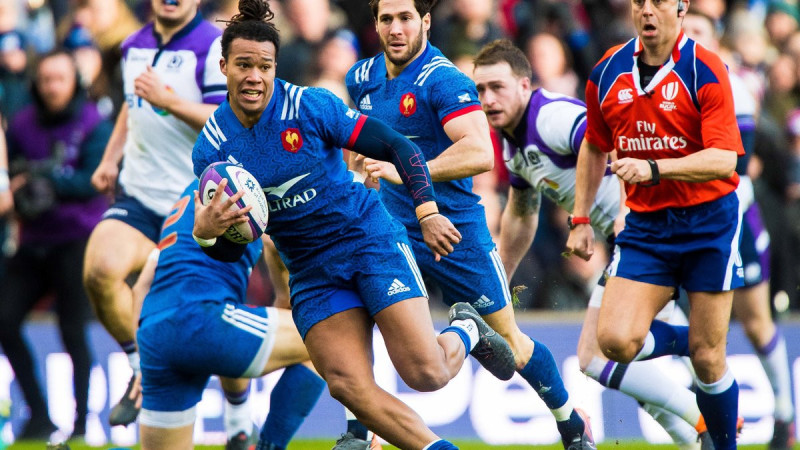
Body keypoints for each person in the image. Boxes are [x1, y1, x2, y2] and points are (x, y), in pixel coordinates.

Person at [192, 1, 516, 449]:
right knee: (348, 387)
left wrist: (426, 211)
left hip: (367, 240)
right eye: (243, 65)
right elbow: (231, 246)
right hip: (311, 270)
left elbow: (398, 146)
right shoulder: (211, 151)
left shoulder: (309, 107)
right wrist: (207, 230)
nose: (254, 77)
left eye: (264, 66)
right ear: (224, 65)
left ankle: (466, 328)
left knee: (427, 374)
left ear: (274, 67)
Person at [347, 1, 593, 448]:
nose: (396, 28)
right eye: (386, 19)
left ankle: (570, 425)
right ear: (376, 23)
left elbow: (481, 152)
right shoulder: (360, 78)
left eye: (405, 18)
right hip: (389, 228)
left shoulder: (444, 80)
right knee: (356, 311)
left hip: (454, 232)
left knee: (511, 342)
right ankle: (357, 430)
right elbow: (357, 145)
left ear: (424, 21)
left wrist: (405, 170)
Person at [472, 38, 712, 449]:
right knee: (626, 362)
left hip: (649, 230)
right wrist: (502, 282)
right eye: (480, 90)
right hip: (641, 236)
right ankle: (698, 439)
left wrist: (622, 208)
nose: (487, 99)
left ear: (525, 85)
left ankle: (706, 418)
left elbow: (614, 138)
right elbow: (521, 213)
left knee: (595, 357)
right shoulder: (512, 145)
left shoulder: (551, 117)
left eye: (497, 87)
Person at [566, 0, 744, 449]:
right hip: (647, 227)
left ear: (681, 9)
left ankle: (723, 442)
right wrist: (581, 218)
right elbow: (594, 144)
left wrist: (655, 168)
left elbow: (725, 158)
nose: (647, 10)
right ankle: (702, 339)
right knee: (615, 342)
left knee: (708, 364)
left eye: (659, 1)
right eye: (639, 1)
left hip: (710, 225)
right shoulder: (607, 71)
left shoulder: (705, 68)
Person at [80, 0, 242, 433]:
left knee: (219, 320)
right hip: (139, 194)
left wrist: (168, 100)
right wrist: (111, 159)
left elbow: (226, 120)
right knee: (99, 271)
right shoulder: (131, 44)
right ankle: (141, 367)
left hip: (195, 203)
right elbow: (134, 107)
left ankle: (240, 417)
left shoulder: (212, 46)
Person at [682, 10, 796, 448]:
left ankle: (785, 416)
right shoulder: (660, 87)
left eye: (699, 31)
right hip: (677, 222)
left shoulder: (732, 88)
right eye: (686, 30)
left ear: (715, 41)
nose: (689, 37)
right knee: (689, 323)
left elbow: (738, 170)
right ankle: (702, 415)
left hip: (733, 221)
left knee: (755, 323)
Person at [133, 179, 315, 450]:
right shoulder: (247, 185)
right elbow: (275, 249)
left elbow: (140, 287)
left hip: (155, 332)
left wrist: (139, 362)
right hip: (201, 318)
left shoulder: (190, 195)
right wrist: (283, 303)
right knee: (326, 339)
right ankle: (267, 445)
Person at [0, 49, 111, 441]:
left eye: (59, 79)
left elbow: (93, 180)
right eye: (45, 80)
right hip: (33, 240)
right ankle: (39, 414)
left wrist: (45, 185)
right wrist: (18, 186)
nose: (52, 87)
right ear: (36, 83)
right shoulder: (22, 123)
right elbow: (8, 171)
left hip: (75, 238)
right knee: (5, 321)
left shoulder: (93, 122)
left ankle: (81, 424)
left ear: (73, 82)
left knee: (72, 330)